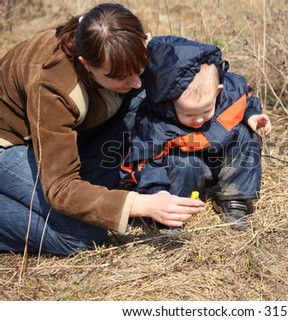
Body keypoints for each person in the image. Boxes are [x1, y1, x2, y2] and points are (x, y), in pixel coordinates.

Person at [0, 3, 204, 256]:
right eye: (120, 77)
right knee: (84, 235)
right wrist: (141, 205)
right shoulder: (52, 88)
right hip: (10, 142)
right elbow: (61, 187)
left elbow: (196, 67)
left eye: (139, 68)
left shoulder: (126, 35)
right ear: (86, 64)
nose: (135, 81)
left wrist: (244, 106)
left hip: (63, 132)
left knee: (146, 96)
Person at [120, 36, 271, 230]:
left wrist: (252, 115)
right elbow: (146, 162)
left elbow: (244, 100)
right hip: (187, 170)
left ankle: (235, 198)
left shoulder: (226, 97)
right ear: (170, 102)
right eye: (189, 113)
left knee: (246, 135)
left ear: (217, 92)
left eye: (205, 111)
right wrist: (157, 194)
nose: (198, 119)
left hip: (221, 161)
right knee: (183, 164)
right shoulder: (156, 123)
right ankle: (173, 211)